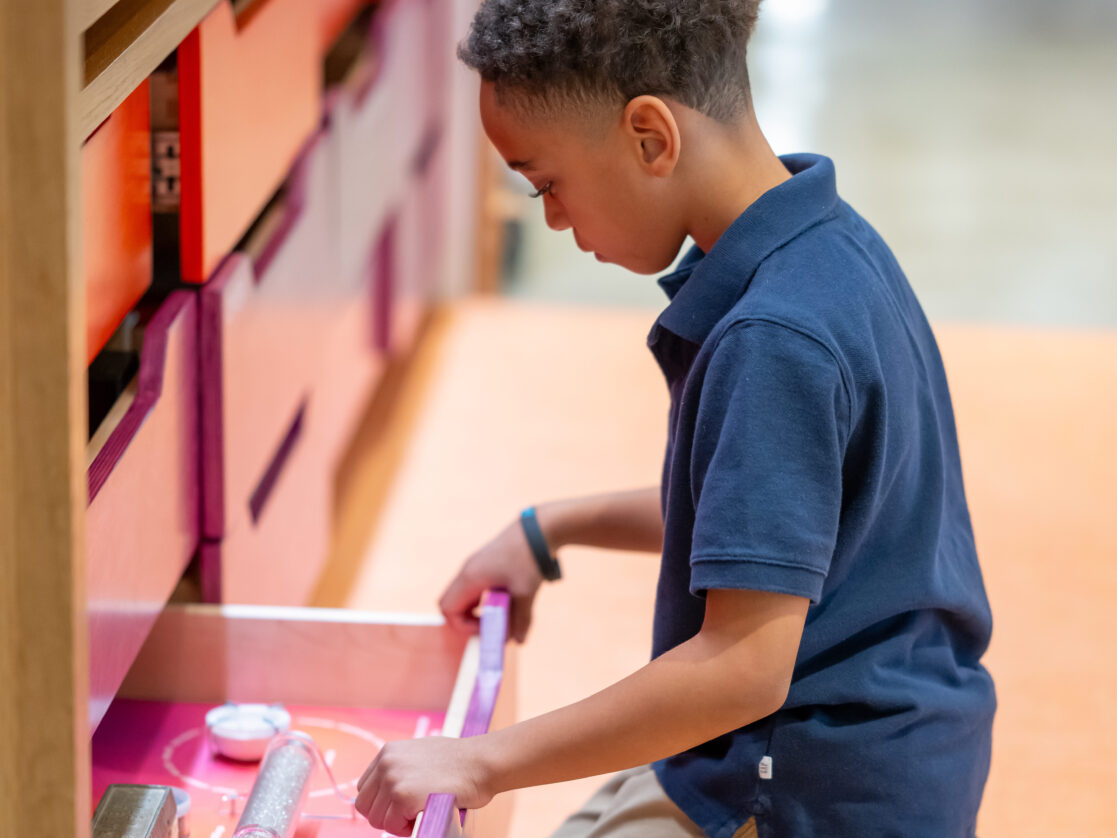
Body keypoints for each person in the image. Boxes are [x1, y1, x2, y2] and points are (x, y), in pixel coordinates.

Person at [355, 1, 997, 835]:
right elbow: (764, 521)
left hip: (809, 787)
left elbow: (739, 671)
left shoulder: (774, 339)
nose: (550, 216)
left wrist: (479, 759)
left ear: (651, 137)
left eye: (546, 182)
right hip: (868, 750)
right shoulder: (832, 246)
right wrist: (550, 527)